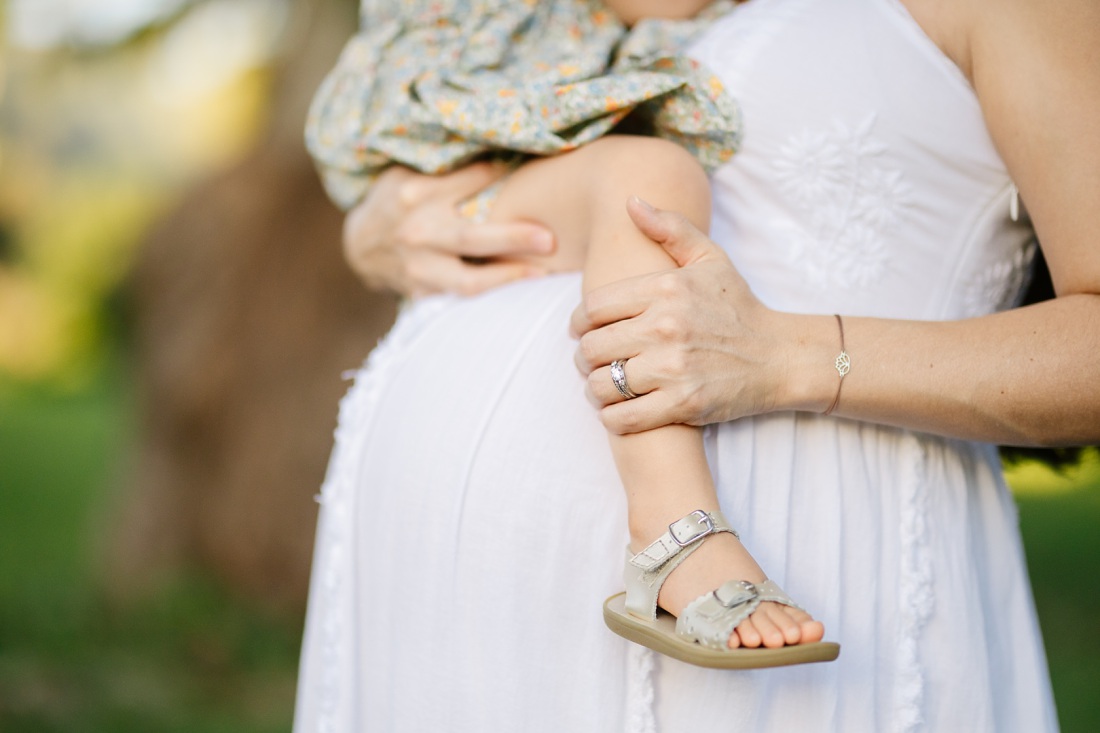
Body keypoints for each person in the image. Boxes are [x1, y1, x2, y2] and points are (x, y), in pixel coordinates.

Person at [294, 0, 1099, 731]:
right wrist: (380, 232)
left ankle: (677, 531)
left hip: (813, 549)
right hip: (436, 600)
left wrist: (789, 354)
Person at [304, 0, 835, 665]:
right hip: (489, 119)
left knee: (646, 179)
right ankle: (673, 526)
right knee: (649, 180)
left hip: (525, 114)